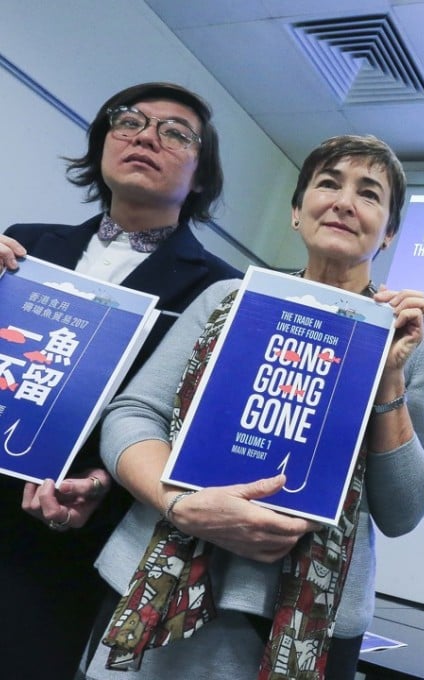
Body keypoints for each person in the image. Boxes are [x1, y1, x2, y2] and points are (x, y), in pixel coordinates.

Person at [79, 134, 424, 680]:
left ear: (388, 233)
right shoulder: (225, 301)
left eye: (369, 194)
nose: (344, 201)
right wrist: (180, 502)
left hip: (305, 627)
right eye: (327, 184)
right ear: (297, 213)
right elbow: (132, 416)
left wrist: (387, 373)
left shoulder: (413, 350)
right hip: (153, 582)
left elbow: (403, 511)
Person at [0, 82, 240, 679]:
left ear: (202, 176)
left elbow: (185, 426)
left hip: (64, 543)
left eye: (175, 132)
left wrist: (105, 481)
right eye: (129, 121)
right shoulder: (24, 244)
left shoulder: (221, 291)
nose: (145, 136)